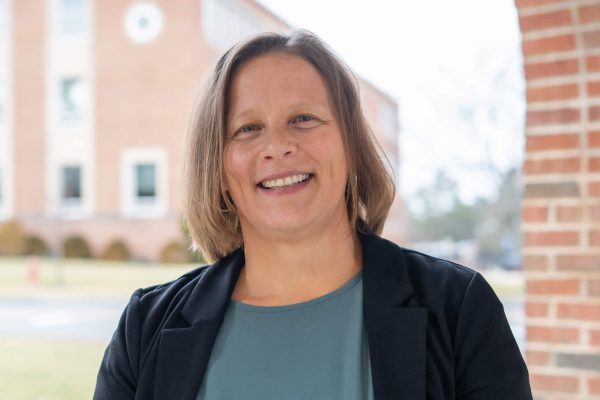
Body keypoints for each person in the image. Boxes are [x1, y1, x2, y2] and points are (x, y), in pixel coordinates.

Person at [94, 30, 532, 400]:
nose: (278, 145)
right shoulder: (144, 329)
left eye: (304, 118)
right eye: (248, 129)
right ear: (217, 167)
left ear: (351, 145)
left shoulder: (459, 309)